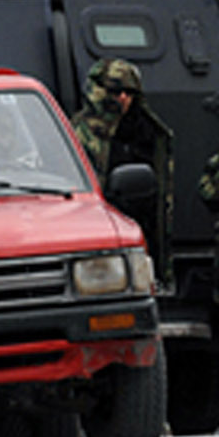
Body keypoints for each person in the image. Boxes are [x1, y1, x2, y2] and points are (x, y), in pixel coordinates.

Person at [73, 58, 173, 278]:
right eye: (117, 92)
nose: (123, 98)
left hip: (141, 223)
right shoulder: (81, 133)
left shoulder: (147, 131)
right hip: (99, 227)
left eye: (129, 92)